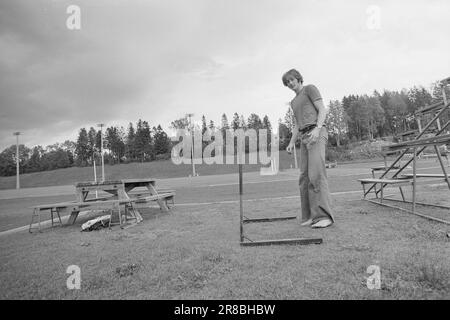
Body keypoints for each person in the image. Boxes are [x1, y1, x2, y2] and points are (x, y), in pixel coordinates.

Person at [282, 69, 334, 228]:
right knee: (304, 178)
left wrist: (318, 129)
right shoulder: (293, 102)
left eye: (292, 80)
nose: (290, 83)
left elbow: (322, 109)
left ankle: (324, 216)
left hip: (316, 132)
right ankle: (311, 215)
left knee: (316, 174)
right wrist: (291, 142)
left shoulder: (310, 89)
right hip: (304, 137)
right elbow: (297, 124)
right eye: (287, 82)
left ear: (298, 78)